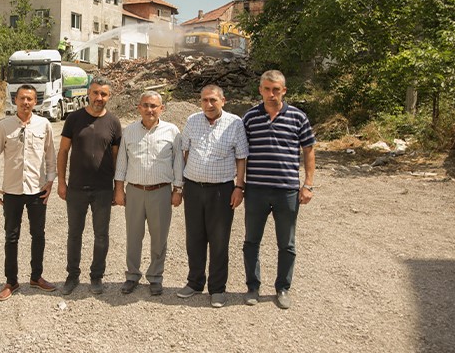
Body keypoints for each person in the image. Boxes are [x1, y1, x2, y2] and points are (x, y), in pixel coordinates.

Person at [241, 70, 315, 310]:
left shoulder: (298, 117)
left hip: (287, 192)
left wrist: (308, 185)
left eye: (276, 89)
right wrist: (239, 185)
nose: (271, 94)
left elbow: (308, 151)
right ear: (260, 90)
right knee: (252, 241)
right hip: (256, 191)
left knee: (287, 244)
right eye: (266, 89)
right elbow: (241, 154)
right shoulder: (250, 118)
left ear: (284, 90)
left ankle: (283, 288)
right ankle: (253, 287)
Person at [0, 84, 58, 302]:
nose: (26, 103)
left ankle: (36, 277)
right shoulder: (4, 126)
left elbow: (50, 155)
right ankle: (11, 281)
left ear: (36, 102)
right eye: (22, 98)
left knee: (38, 235)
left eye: (30, 99)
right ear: (15, 100)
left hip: (37, 189)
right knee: (11, 236)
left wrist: (50, 181)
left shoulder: (43, 125)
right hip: (12, 190)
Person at [177, 84, 248, 308]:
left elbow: (241, 157)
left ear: (223, 101)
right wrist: (185, 181)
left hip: (221, 190)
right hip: (194, 189)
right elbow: (184, 151)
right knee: (194, 238)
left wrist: (239, 187)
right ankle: (195, 282)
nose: (208, 104)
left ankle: (217, 288)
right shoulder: (192, 121)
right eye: (205, 100)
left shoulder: (235, 123)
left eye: (213, 100)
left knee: (219, 240)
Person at [114, 91, 183, 296]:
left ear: (161, 108)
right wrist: (119, 188)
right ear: (139, 108)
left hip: (161, 192)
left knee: (159, 237)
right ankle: (132, 276)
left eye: (154, 106)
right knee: (133, 236)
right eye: (145, 105)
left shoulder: (172, 132)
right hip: (134, 191)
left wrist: (177, 189)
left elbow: (178, 162)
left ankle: (155, 277)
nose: (149, 109)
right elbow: (122, 162)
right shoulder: (130, 131)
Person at [57, 76, 122, 295]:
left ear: (109, 96)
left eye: (103, 94)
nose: (99, 98)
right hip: (76, 188)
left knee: (101, 235)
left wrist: (117, 187)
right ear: (88, 93)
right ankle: (72, 276)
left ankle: (96, 277)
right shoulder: (74, 119)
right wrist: (62, 182)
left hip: (103, 190)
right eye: (95, 93)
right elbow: (63, 151)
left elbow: (116, 158)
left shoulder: (114, 122)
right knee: (74, 234)